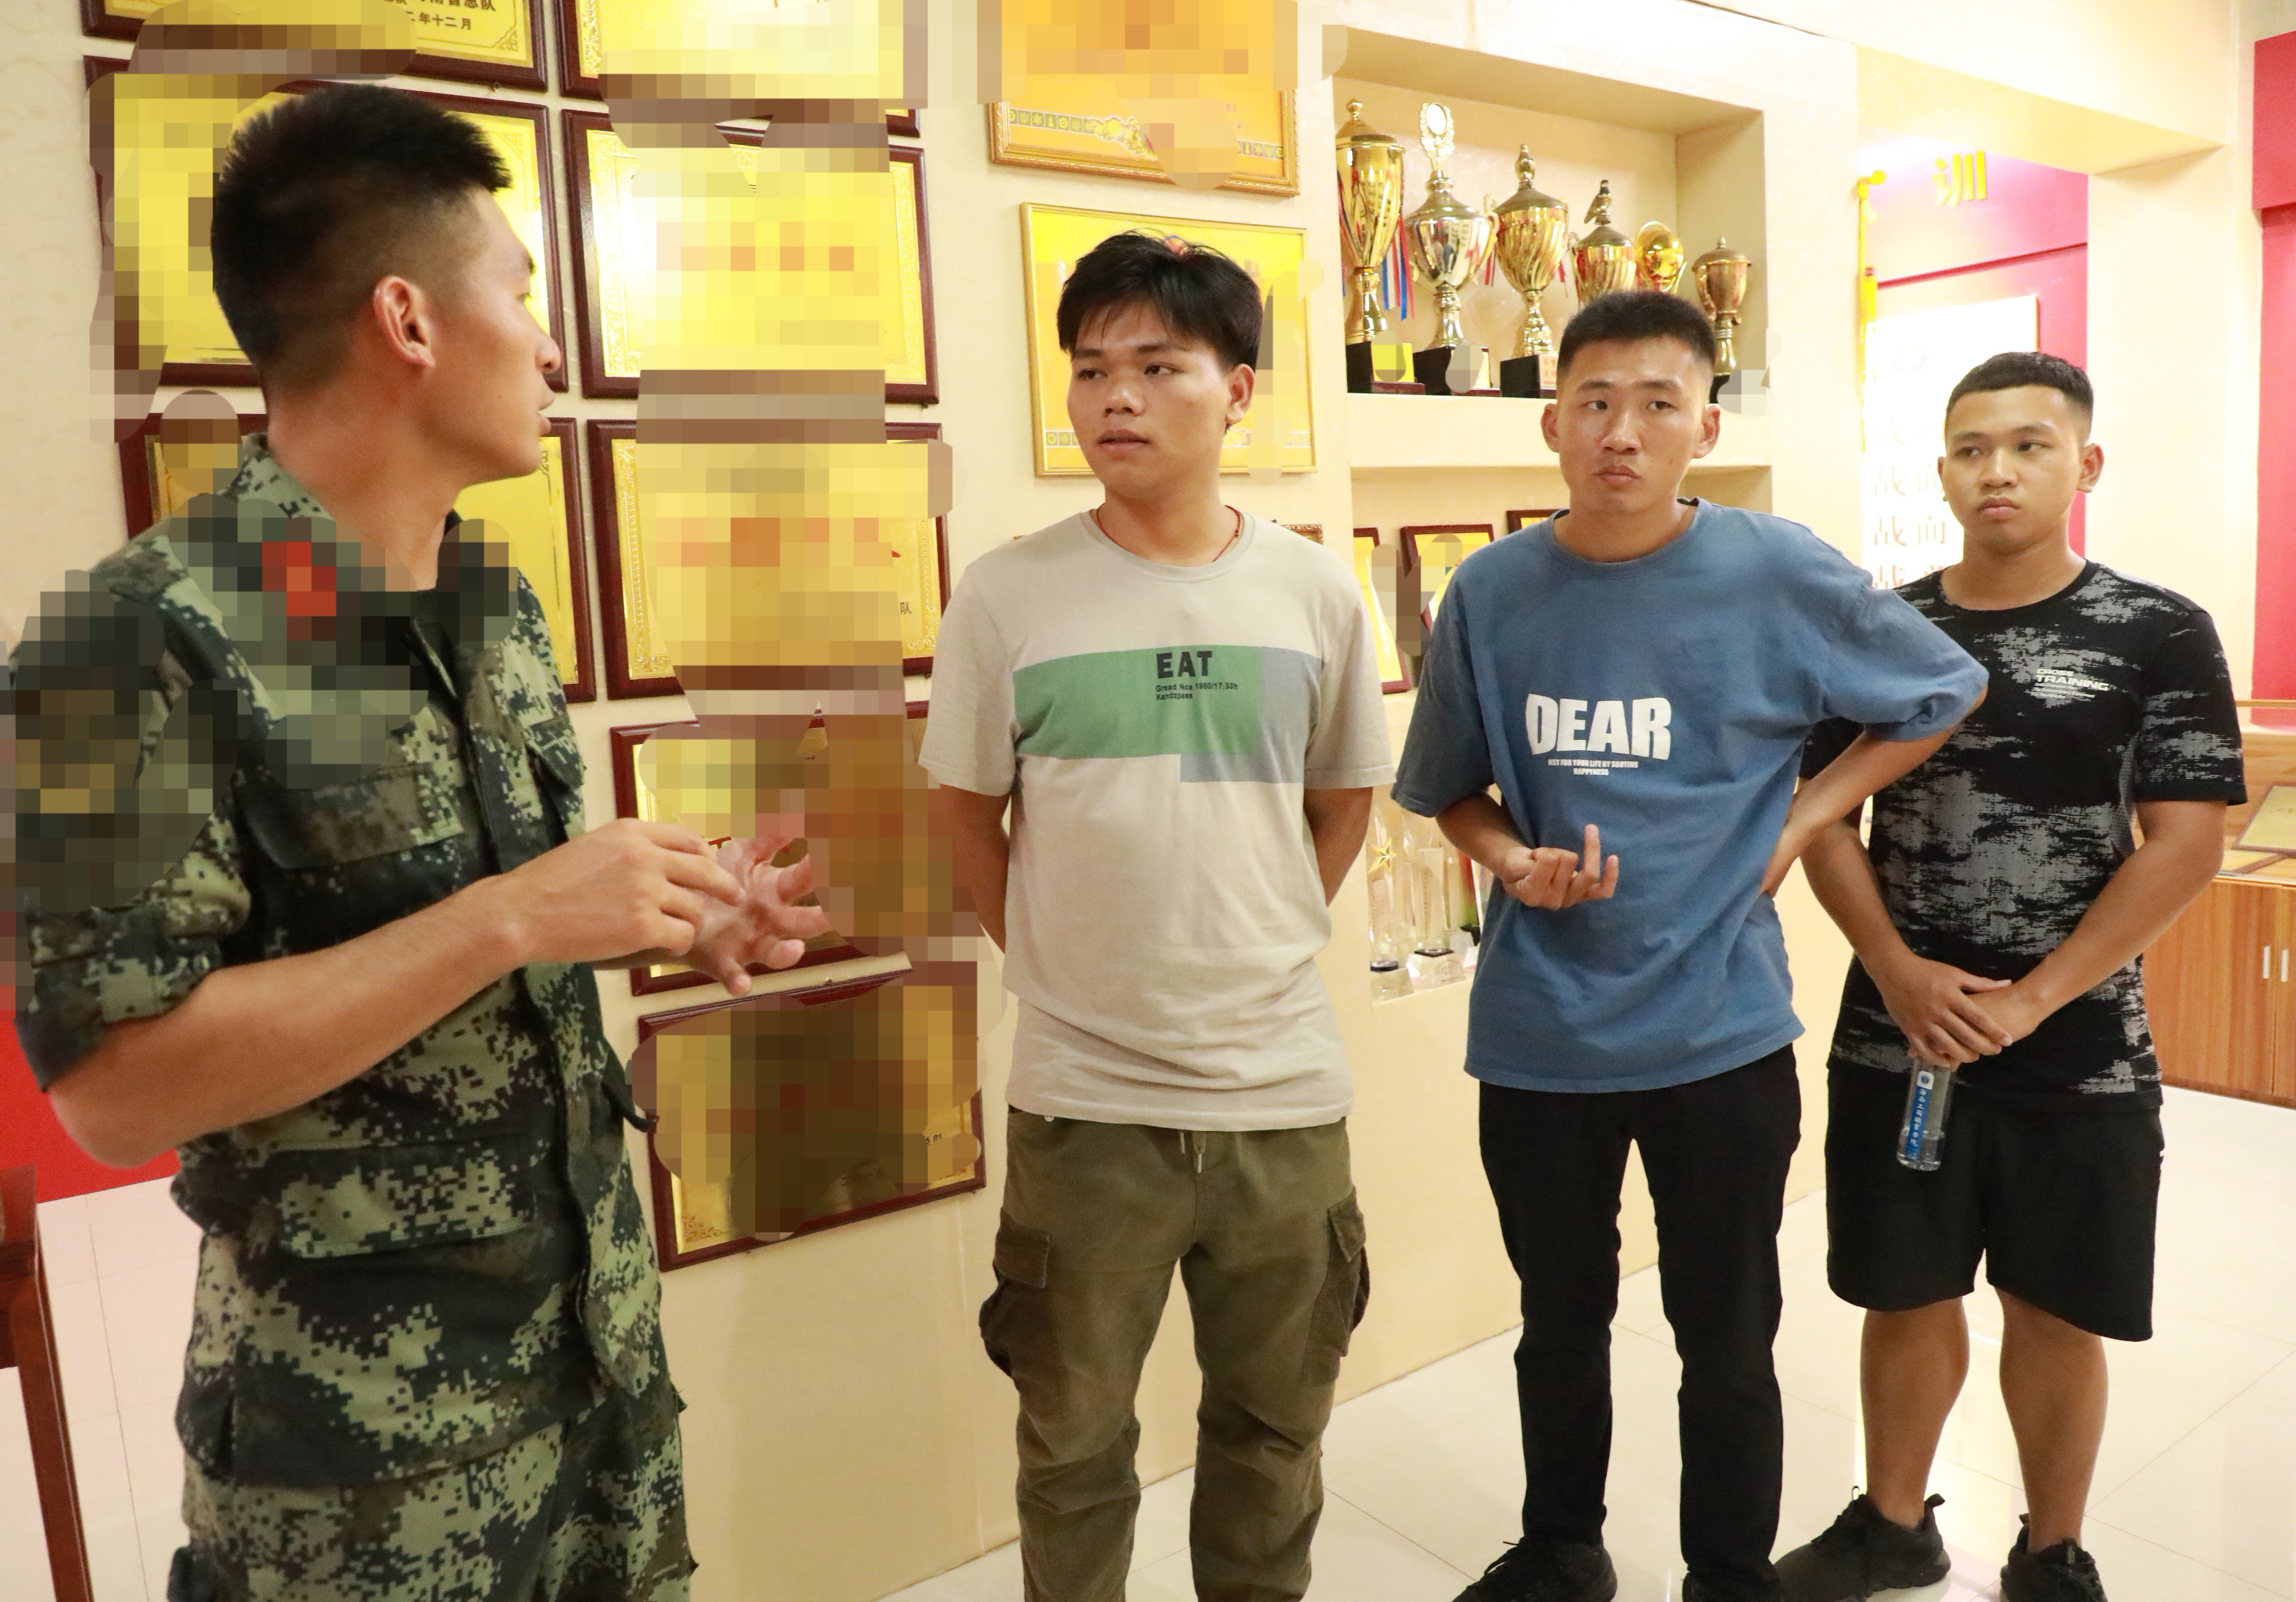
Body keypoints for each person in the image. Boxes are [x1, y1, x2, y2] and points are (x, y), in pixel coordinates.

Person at [2, 84, 828, 1602]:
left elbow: (484, 948)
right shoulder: (131, 641)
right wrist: (514, 916)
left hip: (594, 1394)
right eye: (521, 291)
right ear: (409, 320)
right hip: (358, 1484)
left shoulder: (489, 607)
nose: (552, 345)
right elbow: (113, 1091)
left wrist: (673, 911)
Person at [1391, 288, 1989, 1602]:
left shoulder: (1775, 570)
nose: (1623, 433)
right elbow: (1448, 790)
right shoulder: (1490, 592)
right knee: (1559, 1322)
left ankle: (1727, 1574)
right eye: (1596, 403)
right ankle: (1564, 1551)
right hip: (1541, 1034)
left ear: (1704, 427)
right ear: (1551, 424)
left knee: (1726, 1335)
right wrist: (1512, 862)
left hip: (1719, 1030)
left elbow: (1944, 687)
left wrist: (1810, 810)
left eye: (1659, 404)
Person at [921, 231, 1394, 1602]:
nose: (1115, 397)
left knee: (1273, 1435)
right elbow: (967, 814)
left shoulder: (1313, 589)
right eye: (1090, 370)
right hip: (1085, 1106)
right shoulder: (1008, 594)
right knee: (1071, 1447)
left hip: (1281, 1096)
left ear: (1236, 390)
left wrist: (1256, 936)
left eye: (1157, 366)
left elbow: (1342, 801)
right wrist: (1062, 960)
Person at [1771, 351, 2243, 1602]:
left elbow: (2187, 842)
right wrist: (1893, 969)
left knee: (2056, 1306)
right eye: (1973, 449)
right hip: (1900, 1032)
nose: (1999, 471)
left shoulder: (2158, 630)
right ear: (1941, 473)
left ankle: (2051, 1550)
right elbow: (1821, 817)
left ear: (2086, 465)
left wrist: (2036, 998)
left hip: (2082, 1045)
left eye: (2031, 446)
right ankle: (1893, 1525)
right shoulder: (1883, 631)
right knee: (1903, 1291)